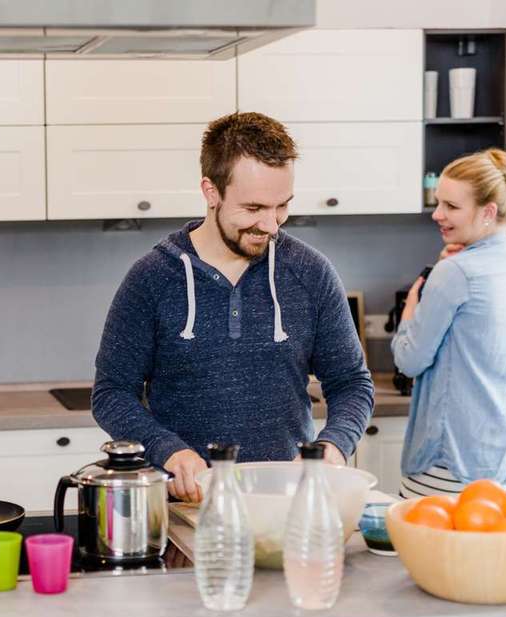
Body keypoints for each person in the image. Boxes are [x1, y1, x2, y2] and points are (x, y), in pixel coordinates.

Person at [92, 112, 374, 503]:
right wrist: (168, 450)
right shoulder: (153, 278)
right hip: (187, 505)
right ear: (212, 192)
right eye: (254, 208)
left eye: (282, 206)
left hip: (288, 504)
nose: (272, 225)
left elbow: (351, 384)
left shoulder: (310, 273)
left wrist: (333, 447)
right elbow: (111, 393)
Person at [392, 149, 506, 498]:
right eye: (438, 202)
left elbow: (409, 361)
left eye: (451, 207)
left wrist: (412, 303)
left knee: (427, 553)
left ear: (488, 211)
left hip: (449, 464)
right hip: (502, 461)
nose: (437, 214)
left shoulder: (454, 272)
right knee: (486, 552)